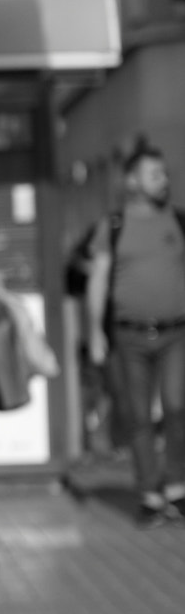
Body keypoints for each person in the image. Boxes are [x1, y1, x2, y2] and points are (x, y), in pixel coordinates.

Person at [85, 138, 185, 524]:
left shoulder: (177, 220)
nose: (163, 180)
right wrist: (95, 333)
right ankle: (149, 494)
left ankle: (177, 487)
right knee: (139, 416)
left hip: (177, 333)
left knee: (177, 408)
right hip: (129, 336)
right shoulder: (113, 226)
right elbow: (98, 281)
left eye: (165, 173)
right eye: (154, 174)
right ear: (132, 181)